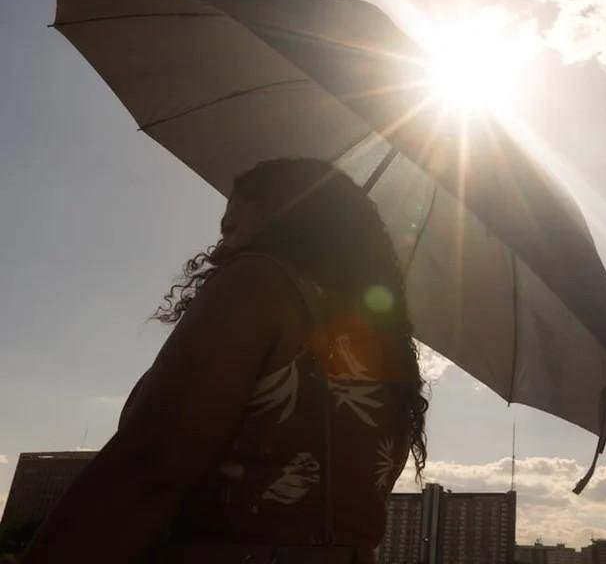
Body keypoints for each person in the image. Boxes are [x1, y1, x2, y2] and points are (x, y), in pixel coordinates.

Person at [23, 158, 429, 563]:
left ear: (286, 217)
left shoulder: (258, 283)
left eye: (232, 227)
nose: (222, 245)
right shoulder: (388, 349)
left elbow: (151, 461)